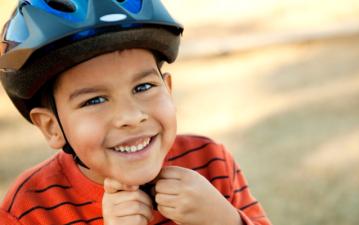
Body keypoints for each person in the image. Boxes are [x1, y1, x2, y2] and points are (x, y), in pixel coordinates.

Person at [0, 0, 272, 225]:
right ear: (51, 127)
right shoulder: (29, 209)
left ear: (168, 90)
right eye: (94, 100)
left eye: (143, 86)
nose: (131, 116)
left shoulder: (211, 163)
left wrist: (224, 220)